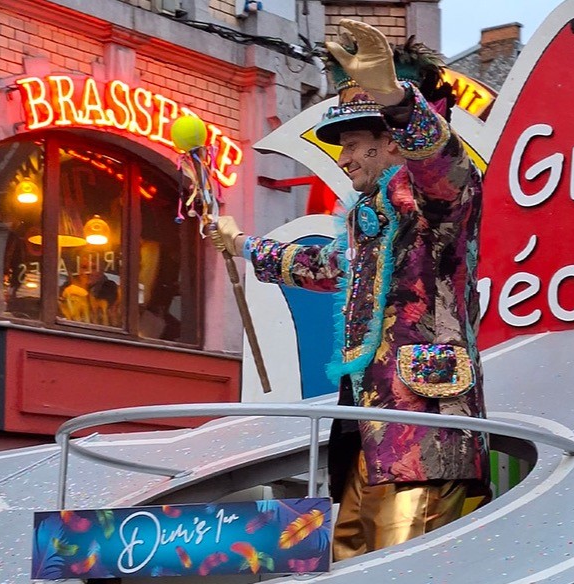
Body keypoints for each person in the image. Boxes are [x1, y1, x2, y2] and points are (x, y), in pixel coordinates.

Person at [209, 19, 490, 560]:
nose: (343, 159)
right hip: (365, 432)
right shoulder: (371, 217)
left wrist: (393, 97)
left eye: (355, 144)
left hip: (423, 430)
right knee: (349, 563)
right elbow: (324, 266)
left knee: (400, 567)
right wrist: (243, 245)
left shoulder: (440, 199)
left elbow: (441, 162)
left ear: (393, 141)